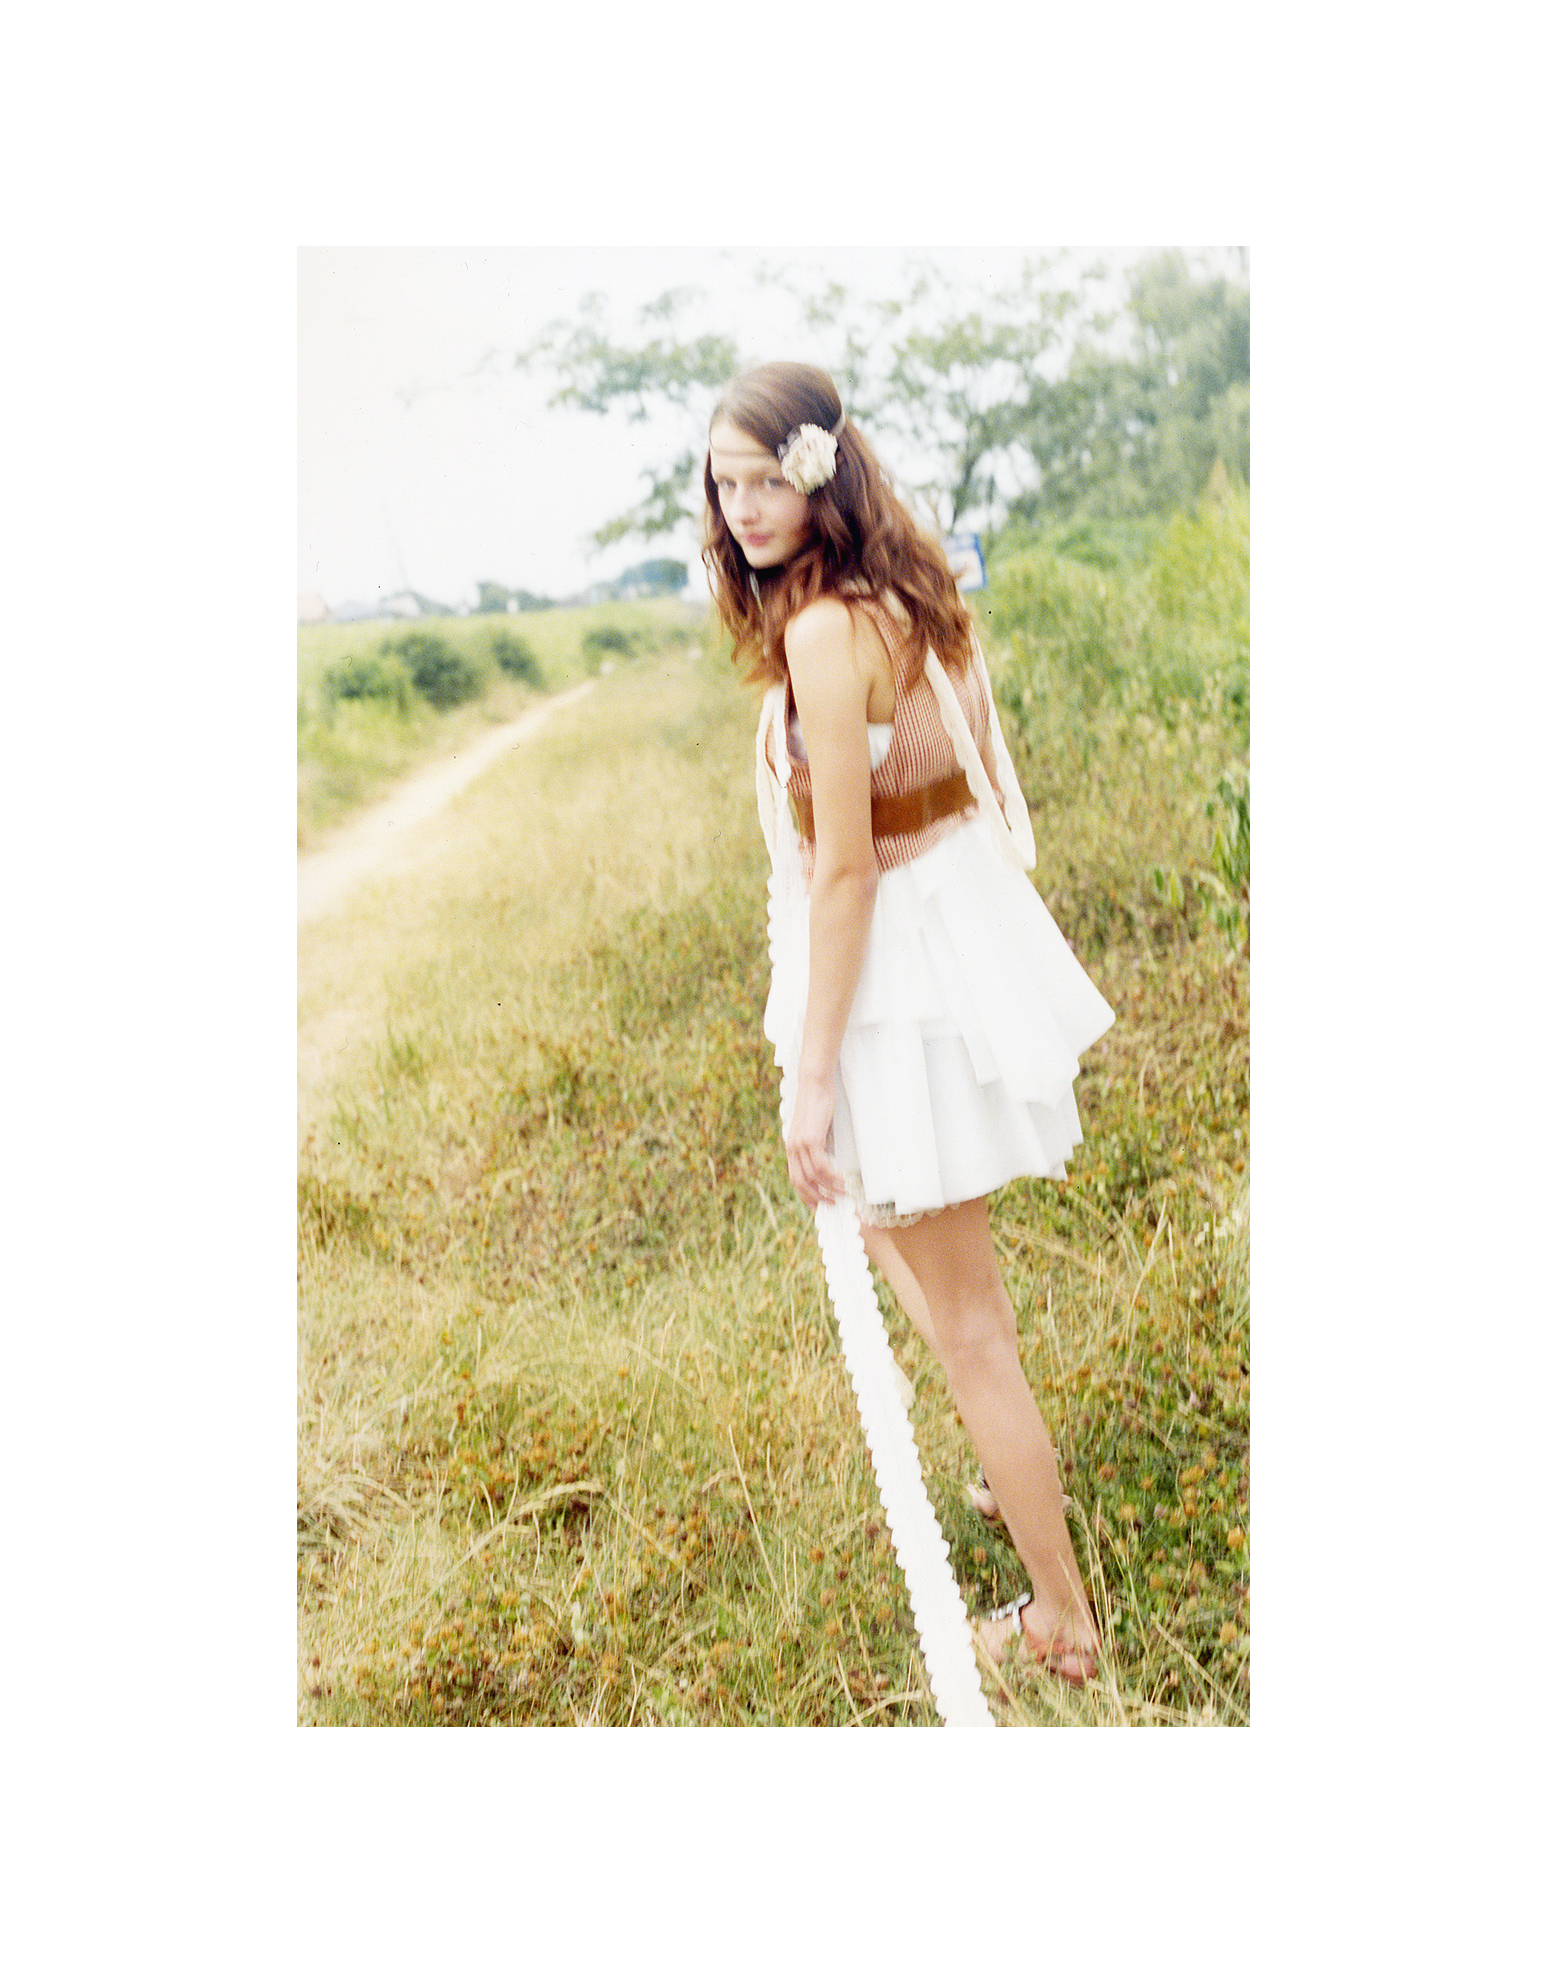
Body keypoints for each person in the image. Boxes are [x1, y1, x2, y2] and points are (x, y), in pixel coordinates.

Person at [704, 362, 1115, 1685]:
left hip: (897, 979)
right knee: (916, 1259)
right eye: (725, 482)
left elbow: (846, 870)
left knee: (966, 1321)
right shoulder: (909, 594)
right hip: (947, 949)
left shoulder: (827, 633)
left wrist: (812, 1073)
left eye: (767, 478)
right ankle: (1012, 1467)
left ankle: (1062, 1620)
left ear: (821, 473)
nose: (744, 506)